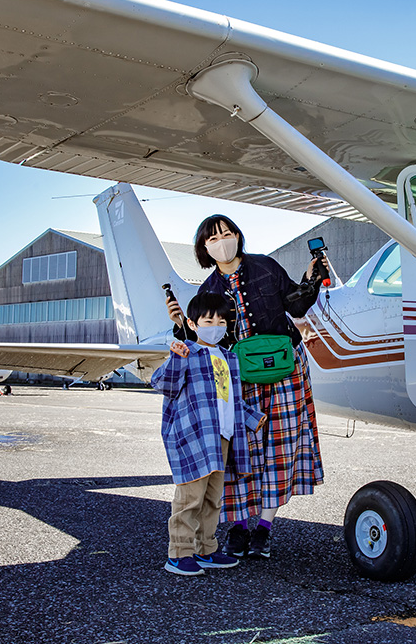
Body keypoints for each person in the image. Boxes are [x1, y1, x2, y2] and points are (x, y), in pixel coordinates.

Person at [167, 215, 326, 559]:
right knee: (240, 454)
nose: (222, 241)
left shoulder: (266, 267)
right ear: (204, 248)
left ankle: (264, 529)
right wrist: (182, 325)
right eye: (213, 238)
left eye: (227, 233)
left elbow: (296, 304)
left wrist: (312, 278)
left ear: (238, 236)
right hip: (238, 375)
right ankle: (238, 528)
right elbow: (204, 340)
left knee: (282, 448)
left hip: (285, 368)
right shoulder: (207, 289)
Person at [151, 292, 266, 576]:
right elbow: (162, 383)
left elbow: (230, 398)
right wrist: (176, 358)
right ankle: (179, 553)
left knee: (213, 498)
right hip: (194, 437)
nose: (215, 325)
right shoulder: (186, 353)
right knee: (190, 497)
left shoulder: (229, 358)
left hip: (223, 437)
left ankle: (206, 549)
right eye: (208, 320)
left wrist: (252, 418)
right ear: (193, 323)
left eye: (221, 320)